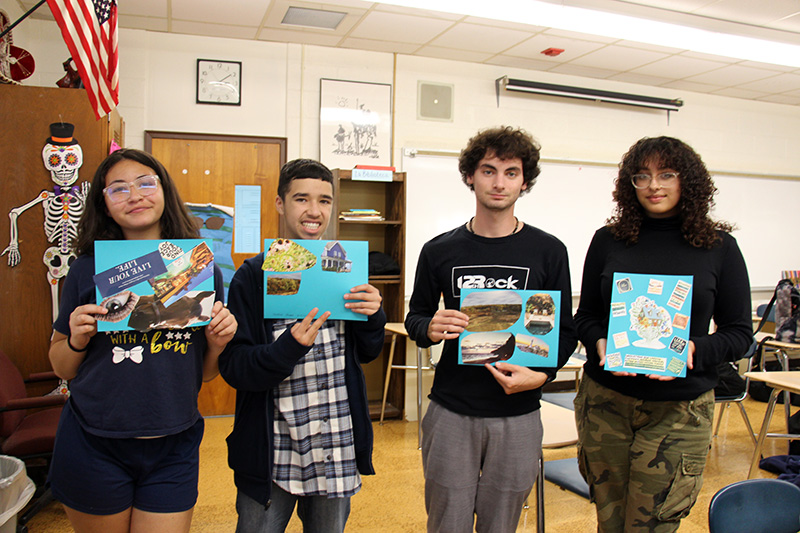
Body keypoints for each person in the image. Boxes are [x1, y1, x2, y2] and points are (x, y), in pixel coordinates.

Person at [47, 148, 237, 533]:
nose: (134, 195)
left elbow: (204, 375)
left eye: (145, 183)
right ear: (103, 204)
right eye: (118, 189)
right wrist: (78, 339)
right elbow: (61, 365)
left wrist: (217, 343)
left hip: (174, 442)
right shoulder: (86, 270)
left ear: (164, 191)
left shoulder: (199, 269)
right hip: (94, 440)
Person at [573, 136, 753, 532]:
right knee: (610, 520)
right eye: (643, 176)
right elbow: (585, 317)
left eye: (666, 174)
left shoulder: (719, 247)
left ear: (687, 181)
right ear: (630, 184)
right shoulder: (609, 240)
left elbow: (740, 333)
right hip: (606, 404)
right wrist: (600, 343)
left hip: (679, 411)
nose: (654, 185)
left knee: (651, 526)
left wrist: (691, 351)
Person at [404, 126, 578, 532]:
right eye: (488, 170)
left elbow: (565, 330)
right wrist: (430, 326)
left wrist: (542, 375)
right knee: (447, 522)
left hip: (518, 412)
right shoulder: (440, 250)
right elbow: (415, 318)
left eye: (511, 172)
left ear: (524, 181)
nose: (499, 183)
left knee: (502, 525)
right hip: (451, 410)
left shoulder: (548, 251)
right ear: (470, 176)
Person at [218, 158, 386, 532]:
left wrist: (374, 316)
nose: (314, 211)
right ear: (280, 204)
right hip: (273, 449)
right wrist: (288, 347)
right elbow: (235, 367)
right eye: (301, 199)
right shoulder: (253, 275)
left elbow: (365, 353)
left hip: (334, 443)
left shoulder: (343, 267)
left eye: (324, 201)